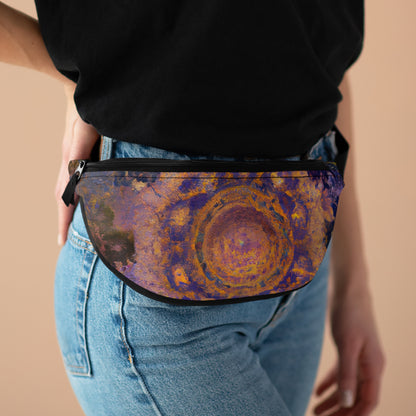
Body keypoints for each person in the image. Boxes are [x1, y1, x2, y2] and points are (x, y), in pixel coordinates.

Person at [1, 1, 385, 415]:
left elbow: (322, 57)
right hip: (155, 290)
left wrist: (354, 285)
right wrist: (74, 80)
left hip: (303, 254)